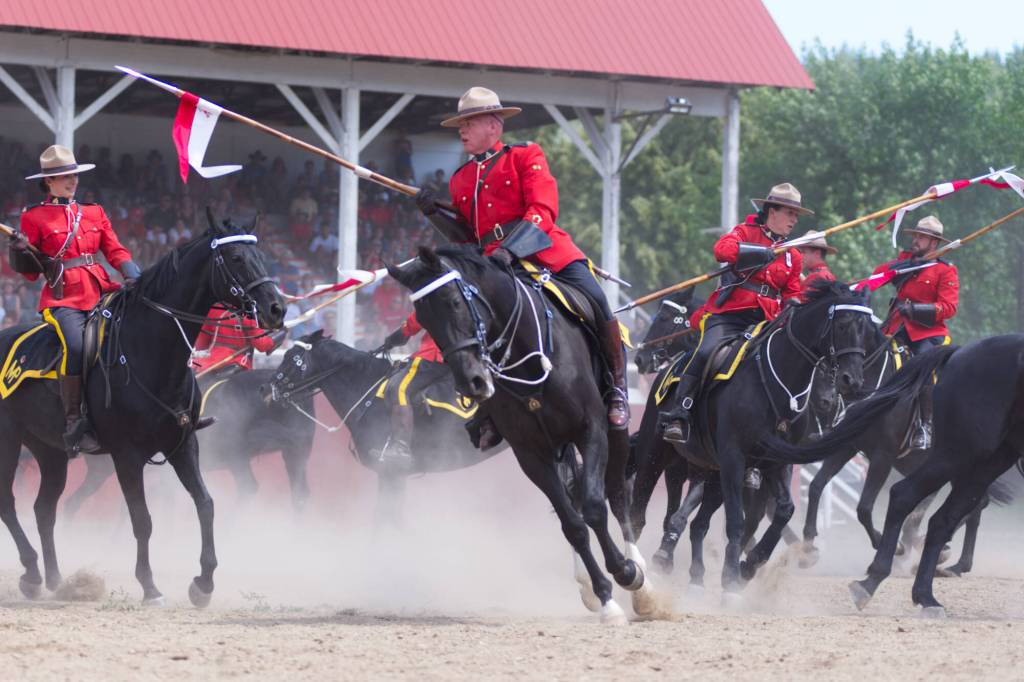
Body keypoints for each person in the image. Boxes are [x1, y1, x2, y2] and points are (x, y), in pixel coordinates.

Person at [414, 86, 630, 431]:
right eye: (461, 124)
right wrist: (433, 214)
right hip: (492, 265)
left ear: (494, 125)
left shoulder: (525, 155)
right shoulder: (460, 179)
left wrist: (510, 250)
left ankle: (617, 388)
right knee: (467, 323)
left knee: (597, 301)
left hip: (545, 252)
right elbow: (467, 238)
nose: (462, 129)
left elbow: (543, 210)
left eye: (469, 122)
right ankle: (488, 406)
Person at [8, 145, 141, 456]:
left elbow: (115, 250)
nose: (73, 180)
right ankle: (74, 421)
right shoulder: (34, 217)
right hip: (63, 299)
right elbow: (31, 273)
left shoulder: (94, 212)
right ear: (49, 182)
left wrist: (133, 274)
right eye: (65, 176)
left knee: (143, 330)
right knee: (78, 346)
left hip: (102, 290)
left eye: (74, 175)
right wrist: (19, 251)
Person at [661, 183, 808, 444]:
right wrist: (758, 252)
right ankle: (680, 413)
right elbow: (721, 250)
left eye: (796, 215)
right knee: (705, 352)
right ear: (772, 211)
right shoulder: (745, 232)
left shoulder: (793, 255)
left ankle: (784, 422)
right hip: (731, 314)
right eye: (790, 213)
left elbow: (791, 293)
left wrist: (796, 305)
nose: (794, 220)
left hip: (767, 321)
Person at [872, 215, 959, 448]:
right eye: (916, 235)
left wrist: (915, 310)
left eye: (922, 237)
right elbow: (877, 276)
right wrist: (897, 268)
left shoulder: (945, 271)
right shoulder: (906, 260)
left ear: (934, 243)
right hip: (895, 326)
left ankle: (925, 424)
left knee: (925, 367)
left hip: (926, 333)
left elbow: (949, 307)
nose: (916, 240)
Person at [191, 303, 286, 378]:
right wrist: (280, 334)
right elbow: (262, 345)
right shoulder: (248, 315)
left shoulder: (215, 309)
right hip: (235, 360)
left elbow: (201, 343)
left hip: (208, 360)